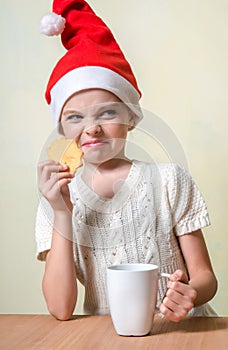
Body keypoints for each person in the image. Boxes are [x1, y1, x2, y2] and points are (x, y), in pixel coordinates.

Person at [36, 0, 217, 322]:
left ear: (130, 118)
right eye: (75, 117)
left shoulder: (169, 181)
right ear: (63, 130)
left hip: (181, 333)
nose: (91, 128)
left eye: (107, 112)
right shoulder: (56, 198)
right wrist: (61, 212)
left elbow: (204, 277)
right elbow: (61, 309)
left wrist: (191, 293)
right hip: (108, 335)